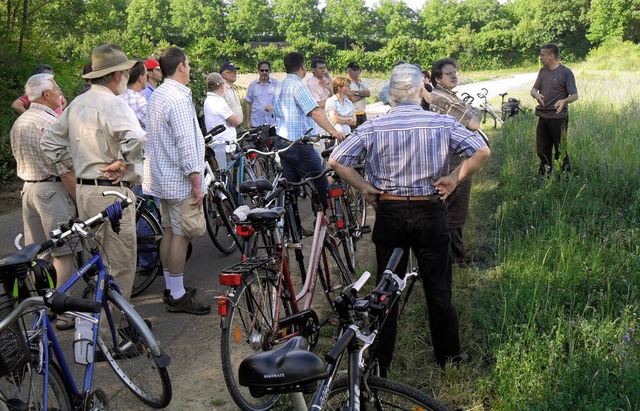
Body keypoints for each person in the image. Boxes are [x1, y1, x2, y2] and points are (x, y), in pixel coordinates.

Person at [329, 63, 490, 372]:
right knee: (439, 288)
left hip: (390, 212)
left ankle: (380, 362)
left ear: (391, 94)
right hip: (429, 210)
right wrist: (454, 178)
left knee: (385, 290)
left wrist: (365, 187)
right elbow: (481, 151)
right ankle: (449, 358)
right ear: (421, 91)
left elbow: (337, 160)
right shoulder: (441, 124)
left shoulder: (374, 127)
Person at [41, 43, 145, 326]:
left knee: (101, 261)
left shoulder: (77, 103)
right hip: (111, 191)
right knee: (120, 263)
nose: (126, 77)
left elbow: (48, 143)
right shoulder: (113, 103)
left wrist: (74, 164)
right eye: (125, 72)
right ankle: (114, 333)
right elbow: (136, 137)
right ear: (115, 76)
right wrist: (124, 161)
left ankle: (100, 327)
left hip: (85, 191)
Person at [144, 47, 210, 315]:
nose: (190, 68)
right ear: (181, 66)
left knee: (169, 232)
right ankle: (178, 294)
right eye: (189, 64)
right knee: (181, 234)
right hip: (180, 177)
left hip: (163, 177)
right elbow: (185, 142)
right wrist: (196, 178)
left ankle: (172, 288)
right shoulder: (178, 98)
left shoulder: (159, 93)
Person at [10, 73, 78, 330]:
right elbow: (63, 168)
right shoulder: (49, 122)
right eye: (57, 88)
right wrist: (78, 198)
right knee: (63, 252)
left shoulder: (21, 121)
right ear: (47, 94)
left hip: (28, 190)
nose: (60, 91)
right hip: (51, 189)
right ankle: (62, 311)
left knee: (38, 253)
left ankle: (42, 306)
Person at [273, 52, 346, 210]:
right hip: (298, 144)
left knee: (291, 188)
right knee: (320, 181)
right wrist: (334, 131)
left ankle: (293, 230)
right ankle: (324, 221)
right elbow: (315, 112)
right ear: (303, 67)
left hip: (282, 142)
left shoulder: (281, 85)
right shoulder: (298, 85)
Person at [430, 57, 483, 265]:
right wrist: (474, 110)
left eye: (455, 72)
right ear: (437, 78)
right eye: (448, 73)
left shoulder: (447, 96)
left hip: (452, 156)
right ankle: (455, 258)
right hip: (452, 159)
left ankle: (452, 255)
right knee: (456, 210)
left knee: (452, 209)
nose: (454, 76)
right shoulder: (442, 98)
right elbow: (475, 123)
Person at [530, 43, 578, 176]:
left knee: (560, 150)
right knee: (542, 150)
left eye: (542, 54)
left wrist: (564, 101)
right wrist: (536, 94)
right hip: (543, 116)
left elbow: (574, 95)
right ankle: (544, 176)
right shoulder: (542, 71)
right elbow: (533, 89)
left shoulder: (566, 72)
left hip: (558, 118)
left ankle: (565, 178)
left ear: (552, 56)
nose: (540, 57)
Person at [204, 72, 242, 169]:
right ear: (221, 86)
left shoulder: (208, 100)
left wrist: (228, 121)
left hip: (215, 145)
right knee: (225, 177)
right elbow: (237, 121)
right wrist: (229, 121)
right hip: (223, 147)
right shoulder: (219, 101)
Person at [244, 61, 279, 129]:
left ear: (270, 71)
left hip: (272, 123)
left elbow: (282, 100)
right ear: (258, 71)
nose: (264, 72)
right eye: (262, 70)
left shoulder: (276, 84)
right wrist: (248, 122)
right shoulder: (252, 85)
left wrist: (273, 105)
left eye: (266, 70)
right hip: (257, 123)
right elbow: (248, 103)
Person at [306, 56, 333, 135]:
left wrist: (330, 90)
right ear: (313, 69)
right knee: (321, 145)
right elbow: (317, 105)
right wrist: (331, 101)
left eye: (324, 68)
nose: (323, 70)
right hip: (319, 121)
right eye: (320, 68)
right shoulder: (311, 84)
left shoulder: (326, 80)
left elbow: (337, 93)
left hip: (330, 118)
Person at [120, 60, 148, 129]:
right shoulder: (138, 102)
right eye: (146, 75)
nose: (147, 79)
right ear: (140, 78)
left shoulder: (119, 96)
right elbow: (155, 127)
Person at [345, 61, 370, 127]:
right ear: (349, 70)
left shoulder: (363, 81)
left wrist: (356, 93)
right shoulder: (346, 82)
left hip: (362, 112)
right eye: (354, 69)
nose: (356, 71)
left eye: (358, 69)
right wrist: (364, 95)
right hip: (352, 113)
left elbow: (368, 93)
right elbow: (353, 99)